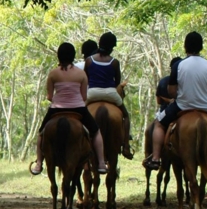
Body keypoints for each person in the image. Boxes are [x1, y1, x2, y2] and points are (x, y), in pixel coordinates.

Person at [143, 32, 207, 177]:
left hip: (183, 105)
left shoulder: (178, 65)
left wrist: (181, 95)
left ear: (185, 46)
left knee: (158, 123)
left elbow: (171, 90)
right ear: (201, 46)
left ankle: (156, 158)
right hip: (206, 108)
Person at [30, 43, 108, 175]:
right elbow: (84, 96)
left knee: (41, 133)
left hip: (56, 109)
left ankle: (38, 163)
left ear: (58, 56)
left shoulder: (53, 73)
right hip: (78, 109)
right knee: (96, 132)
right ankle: (101, 162)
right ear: (73, 56)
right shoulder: (81, 74)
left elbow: (49, 96)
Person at [84, 32, 133, 159]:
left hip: (92, 94)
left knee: (80, 114)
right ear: (112, 47)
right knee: (126, 116)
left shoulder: (89, 60)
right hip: (110, 93)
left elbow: (86, 79)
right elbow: (117, 82)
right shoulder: (114, 62)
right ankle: (126, 145)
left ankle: (79, 141)